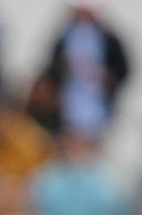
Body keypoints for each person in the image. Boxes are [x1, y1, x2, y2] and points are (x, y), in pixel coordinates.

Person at [45, 5, 131, 137]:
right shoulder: (64, 36)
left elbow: (123, 70)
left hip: (99, 107)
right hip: (68, 105)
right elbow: (51, 68)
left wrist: (107, 77)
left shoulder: (108, 39)